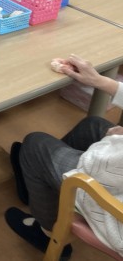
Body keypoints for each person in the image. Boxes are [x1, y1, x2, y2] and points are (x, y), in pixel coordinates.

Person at [6, 54, 123, 259]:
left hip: (115, 210)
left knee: (34, 145)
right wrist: (99, 81)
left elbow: (101, 166)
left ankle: (47, 233)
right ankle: (39, 182)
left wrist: (110, 141)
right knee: (92, 125)